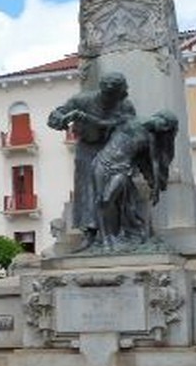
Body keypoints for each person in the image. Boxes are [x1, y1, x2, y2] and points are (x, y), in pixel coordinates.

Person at [47, 72, 136, 248]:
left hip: (112, 148)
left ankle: (116, 232)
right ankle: (89, 233)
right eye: (108, 95)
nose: (111, 100)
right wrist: (60, 119)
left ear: (121, 93)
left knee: (110, 192)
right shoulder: (81, 100)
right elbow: (55, 118)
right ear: (102, 91)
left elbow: (130, 129)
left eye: (115, 96)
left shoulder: (125, 105)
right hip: (87, 147)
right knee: (86, 189)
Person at [90, 111, 178, 250]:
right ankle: (106, 239)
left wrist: (155, 188)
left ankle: (113, 236)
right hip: (102, 162)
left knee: (107, 199)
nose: (163, 129)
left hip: (121, 169)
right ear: (159, 117)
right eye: (165, 124)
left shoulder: (150, 139)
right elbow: (103, 124)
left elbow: (154, 162)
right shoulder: (128, 119)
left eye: (167, 128)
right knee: (100, 201)